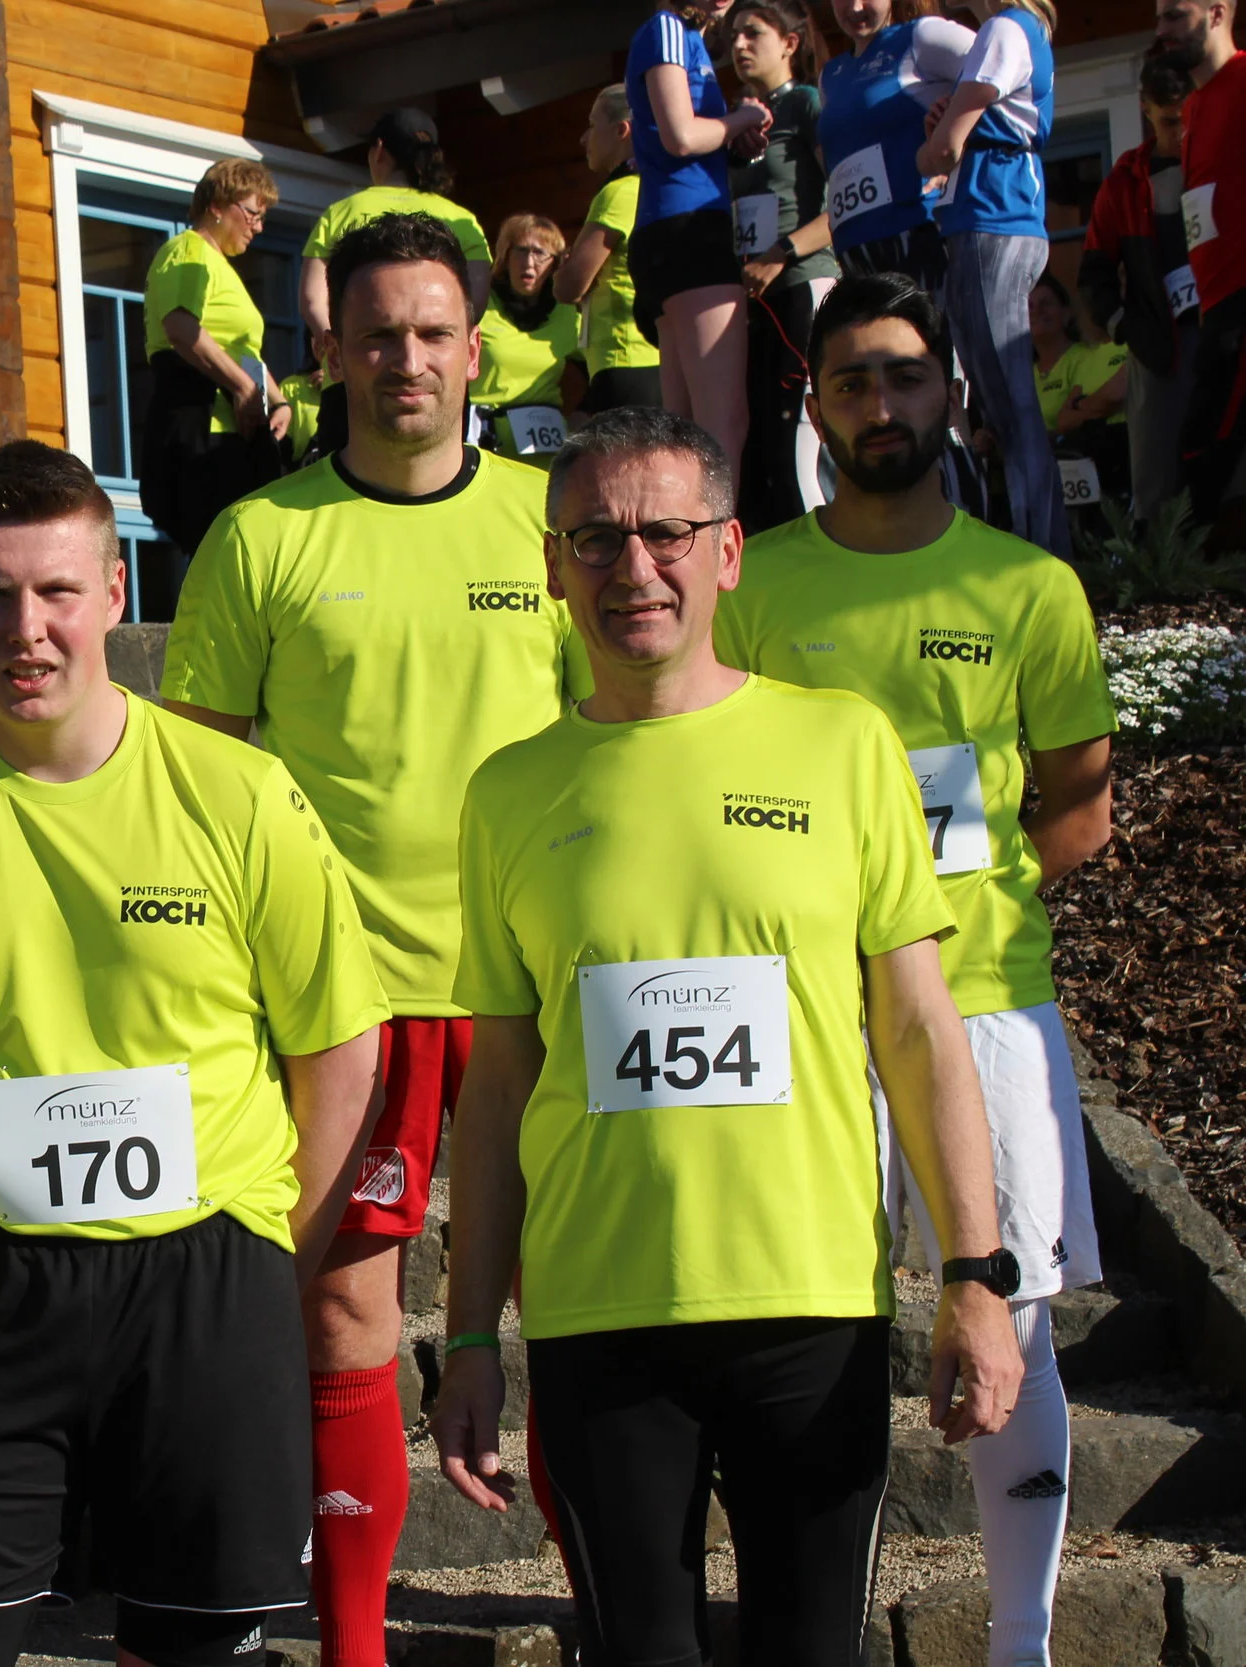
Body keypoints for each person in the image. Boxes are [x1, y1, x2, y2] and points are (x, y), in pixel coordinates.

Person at [433, 406, 1024, 1667]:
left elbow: (918, 1030)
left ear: (729, 551)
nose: (631, 568)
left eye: (665, 532)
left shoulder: (840, 743)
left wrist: (975, 1277)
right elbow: (496, 1088)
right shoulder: (507, 790)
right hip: (598, 1310)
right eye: (592, 539)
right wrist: (471, 1330)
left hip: (806, 1300)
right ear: (550, 566)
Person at [0, 441, 386, 1667]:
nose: (22, 628)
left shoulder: (240, 792)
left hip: (207, 1279)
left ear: (114, 595)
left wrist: (265, 1244)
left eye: (55, 592)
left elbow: (339, 1047)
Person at [161, 212, 585, 1667]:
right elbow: (197, 789)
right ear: (327, 352)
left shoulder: (554, 520)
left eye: (430, 331)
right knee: (348, 1308)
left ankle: (617, 1612)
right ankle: (356, 1649)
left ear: (477, 349)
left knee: (581, 1306)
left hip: (542, 987)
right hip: (349, 1005)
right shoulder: (260, 537)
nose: (403, 357)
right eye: (375, 333)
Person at [719, 273, 1116, 1666]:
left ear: (951, 386)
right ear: (812, 405)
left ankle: (1021, 1639)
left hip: (989, 1006)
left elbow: (1076, 799)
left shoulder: (1030, 588)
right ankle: (811, 1624)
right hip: (804, 1013)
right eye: (849, 383)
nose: (877, 405)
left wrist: (956, 918)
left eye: (901, 375)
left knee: (1011, 1322)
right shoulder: (750, 579)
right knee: (808, 1336)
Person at [915, 0, 1066, 556]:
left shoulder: (1006, 26)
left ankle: (1043, 558)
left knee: (1010, 404)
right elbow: (944, 141)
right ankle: (1031, 550)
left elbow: (942, 150)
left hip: (993, 218)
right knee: (1000, 409)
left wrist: (936, 143)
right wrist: (940, 137)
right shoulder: (1003, 31)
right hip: (983, 220)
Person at [625, 1, 765, 475]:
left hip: (672, 232)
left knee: (682, 429)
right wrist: (741, 119)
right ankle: (714, 542)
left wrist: (731, 139)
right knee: (723, 423)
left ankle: (681, 538)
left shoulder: (690, 39)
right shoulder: (665, 27)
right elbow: (680, 136)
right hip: (688, 230)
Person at [136, 157, 287, 558]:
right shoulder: (189, 251)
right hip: (204, 423)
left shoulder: (220, 265)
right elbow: (180, 327)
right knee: (221, 547)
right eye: (252, 213)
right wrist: (242, 387)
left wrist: (279, 399)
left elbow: (241, 348)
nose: (259, 226)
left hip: (234, 426)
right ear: (217, 205)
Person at [727, 0, 839, 529]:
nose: (739, 46)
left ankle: (826, 559)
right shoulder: (740, 123)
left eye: (752, 33)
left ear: (790, 44)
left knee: (802, 432)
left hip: (804, 283)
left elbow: (846, 200)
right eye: (733, 37)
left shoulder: (809, 105)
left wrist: (782, 254)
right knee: (762, 438)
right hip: (753, 302)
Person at [1079, 54, 1202, 522]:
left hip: (1226, 339)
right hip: (1159, 349)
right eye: (1171, 121)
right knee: (1158, 479)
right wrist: (1125, 327)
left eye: (1190, 119)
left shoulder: (1224, 164)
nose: (1182, 133)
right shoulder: (1123, 184)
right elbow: (1093, 272)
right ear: (1145, 108)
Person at [300, 107, 493, 358]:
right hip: (436, 372)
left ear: (379, 149)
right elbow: (474, 304)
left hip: (355, 370)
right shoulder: (462, 220)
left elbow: (312, 298)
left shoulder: (341, 213)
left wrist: (339, 350)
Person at [1158, 0, 1245, 531]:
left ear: (1216, 13)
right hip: (1211, 306)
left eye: (1174, 15)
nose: (1161, 29)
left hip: (1241, 298)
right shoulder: (1191, 108)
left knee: (1206, 451)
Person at [818, 0, 976, 287]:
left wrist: (953, 147)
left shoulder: (922, 36)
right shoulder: (830, 75)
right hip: (854, 250)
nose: (854, 8)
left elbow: (1000, 76)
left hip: (919, 236)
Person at [557, 86, 665, 414]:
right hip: (658, 358)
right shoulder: (659, 188)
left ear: (622, 130)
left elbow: (569, 286)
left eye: (592, 124)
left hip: (622, 358)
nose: (583, 137)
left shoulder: (617, 193)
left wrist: (564, 269)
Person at [469, 213, 583, 465]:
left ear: (555, 263)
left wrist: (581, 419)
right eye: (520, 251)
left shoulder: (567, 313)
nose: (529, 262)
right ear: (505, 257)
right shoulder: (481, 305)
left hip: (546, 450)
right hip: (484, 444)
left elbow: (601, 375)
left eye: (540, 253)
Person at [1030, 270, 1130, 508]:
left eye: (1046, 303)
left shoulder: (1129, 344)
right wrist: (1094, 404)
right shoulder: (1093, 355)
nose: (1036, 311)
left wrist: (1081, 405)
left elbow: (1117, 394)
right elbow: (1065, 418)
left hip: (1129, 445)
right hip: (1092, 461)